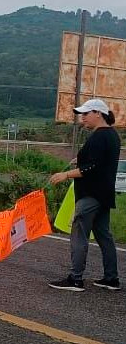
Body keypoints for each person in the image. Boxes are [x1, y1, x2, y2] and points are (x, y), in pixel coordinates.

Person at [48, 99, 120, 291]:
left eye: (86, 114)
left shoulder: (99, 136)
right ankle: (111, 278)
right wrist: (79, 159)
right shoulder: (113, 135)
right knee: (104, 235)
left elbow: (91, 167)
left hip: (90, 194)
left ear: (98, 113)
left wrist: (65, 174)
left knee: (79, 233)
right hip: (104, 194)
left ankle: (76, 278)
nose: (83, 118)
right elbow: (99, 160)